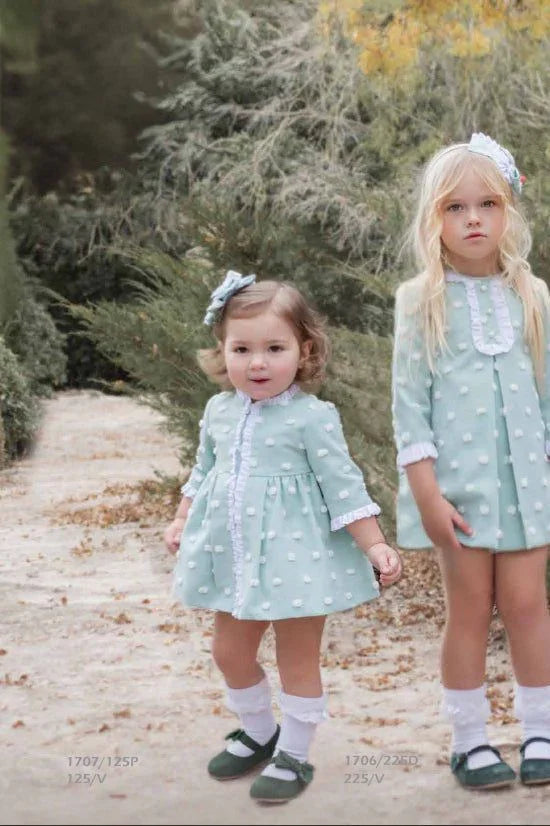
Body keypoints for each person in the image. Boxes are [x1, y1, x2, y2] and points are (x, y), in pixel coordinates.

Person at [165, 271, 402, 803]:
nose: (256, 363)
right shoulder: (219, 412)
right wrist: (182, 517)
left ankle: (294, 752)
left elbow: (345, 489)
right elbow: (203, 473)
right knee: (229, 652)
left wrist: (375, 544)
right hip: (236, 558)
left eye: (274, 348)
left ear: (304, 349)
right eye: (241, 348)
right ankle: (259, 730)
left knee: (298, 660)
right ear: (221, 350)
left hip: (300, 560)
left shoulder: (311, 419)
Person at [392, 132, 550, 790]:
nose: (474, 219)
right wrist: (427, 496)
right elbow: (409, 406)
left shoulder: (532, 294)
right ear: (434, 220)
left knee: (527, 605)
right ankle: (470, 739)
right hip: (455, 492)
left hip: (529, 486)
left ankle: (540, 729)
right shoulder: (419, 299)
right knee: (468, 608)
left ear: (509, 212)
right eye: (455, 208)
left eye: (488, 203)